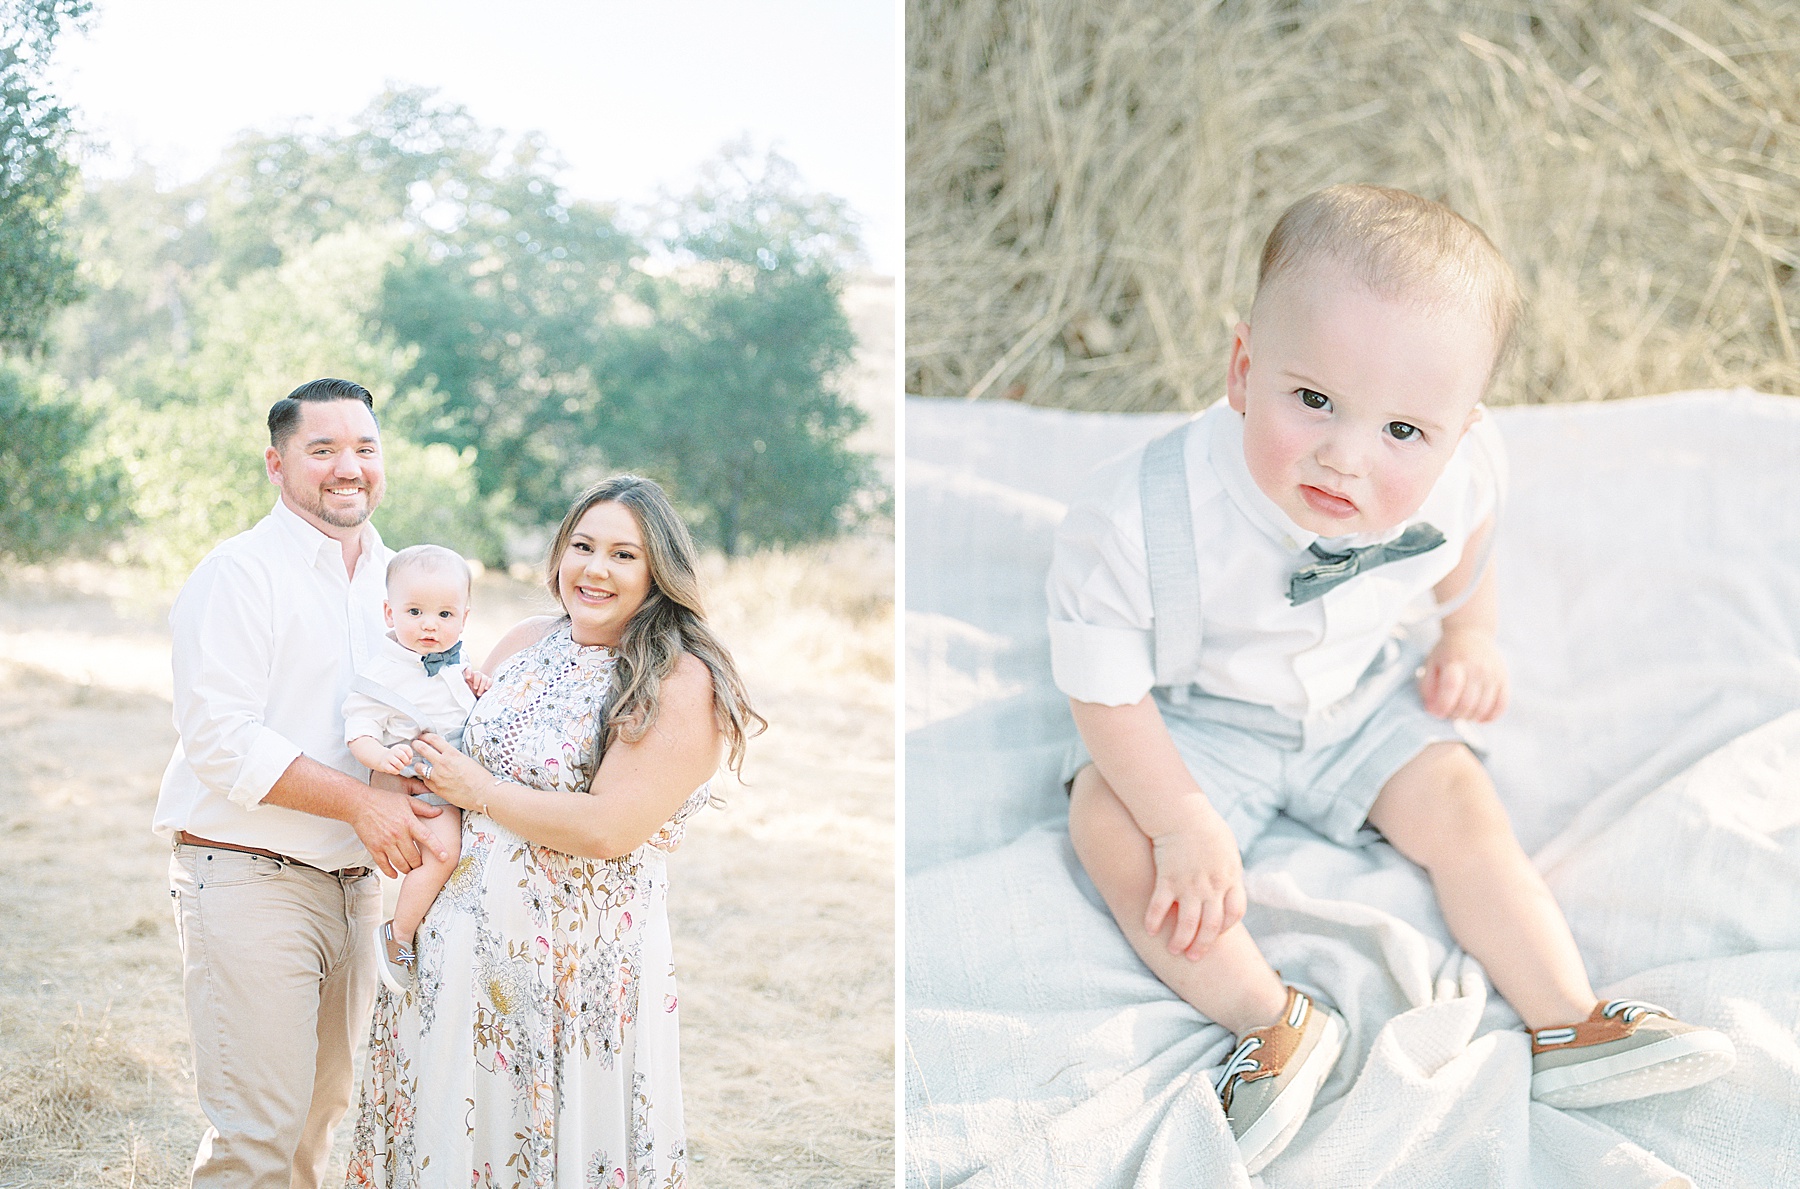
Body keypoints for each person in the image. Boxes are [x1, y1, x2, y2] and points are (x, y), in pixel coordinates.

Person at [1048, 185, 1736, 1174]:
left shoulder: (1465, 473)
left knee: (1463, 803)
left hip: (1360, 692)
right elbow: (1105, 695)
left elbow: (1469, 546)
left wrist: (1470, 635)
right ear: (1243, 369)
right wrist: (1181, 819)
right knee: (1109, 827)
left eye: (1404, 432)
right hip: (1191, 714)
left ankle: (1568, 1021)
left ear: (1458, 431)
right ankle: (1271, 1021)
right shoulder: (1132, 517)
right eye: (1314, 400)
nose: (1347, 456)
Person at [345, 474, 765, 1187]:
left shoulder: (678, 679)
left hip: (571, 974)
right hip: (454, 949)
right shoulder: (522, 640)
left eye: (624, 555)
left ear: (659, 571)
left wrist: (478, 789)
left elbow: (608, 827)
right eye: (583, 545)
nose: (595, 568)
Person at [153, 377, 451, 1189]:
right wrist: (362, 801)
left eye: (364, 447)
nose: (347, 466)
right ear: (277, 465)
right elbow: (221, 739)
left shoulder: (404, 582)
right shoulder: (239, 573)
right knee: (256, 1138)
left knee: (317, 1131)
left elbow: (426, 710)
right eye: (322, 449)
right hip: (248, 873)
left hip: (356, 886)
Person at [342, 543, 495, 992]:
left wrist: (479, 684)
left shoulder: (456, 660)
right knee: (443, 851)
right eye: (415, 612)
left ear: (464, 618)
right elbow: (359, 729)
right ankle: (399, 933)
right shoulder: (384, 674)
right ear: (390, 614)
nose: (430, 624)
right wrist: (382, 759)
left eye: (445, 615)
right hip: (425, 783)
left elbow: (461, 703)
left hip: (466, 778)